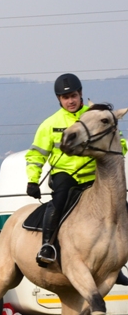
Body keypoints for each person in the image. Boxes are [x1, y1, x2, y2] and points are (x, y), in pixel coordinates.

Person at [26, 73, 128, 270]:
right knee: (59, 200)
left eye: (73, 95)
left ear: (80, 94)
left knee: (119, 207)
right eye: (65, 98)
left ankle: (117, 261)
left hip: (94, 175)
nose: (70, 101)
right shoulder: (49, 124)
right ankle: (47, 246)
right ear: (59, 99)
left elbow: (119, 143)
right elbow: (36, 155)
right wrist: (32, 180)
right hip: (66, 175)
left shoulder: (96, 117)